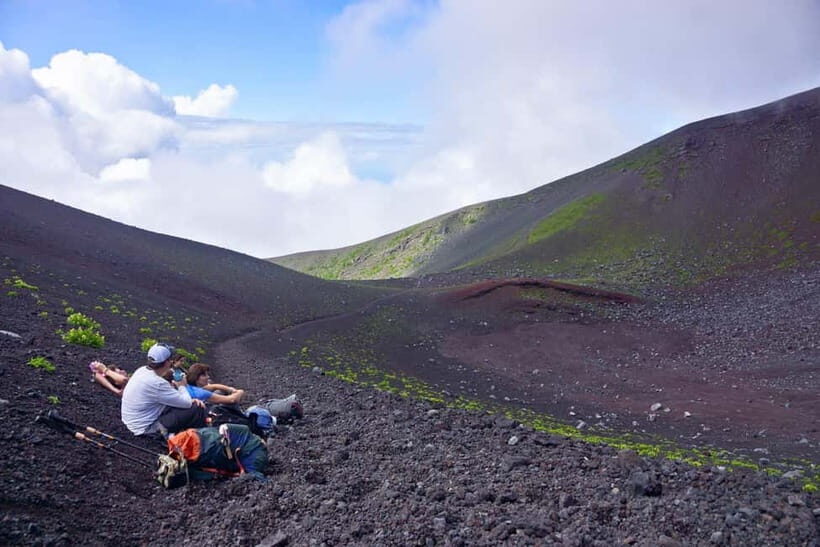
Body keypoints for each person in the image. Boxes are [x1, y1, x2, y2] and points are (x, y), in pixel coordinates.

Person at [121, 343, 208, 436]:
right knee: (196, 408)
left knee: (190, 404)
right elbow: (187, 404)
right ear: (167, 362)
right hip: (146, 428)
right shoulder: (157, 383)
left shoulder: (142, 370)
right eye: (170, 359)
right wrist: (181, 386)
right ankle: (199, 440)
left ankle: (191, 437)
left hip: (131, 422)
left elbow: (177, 399)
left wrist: (189, 400)